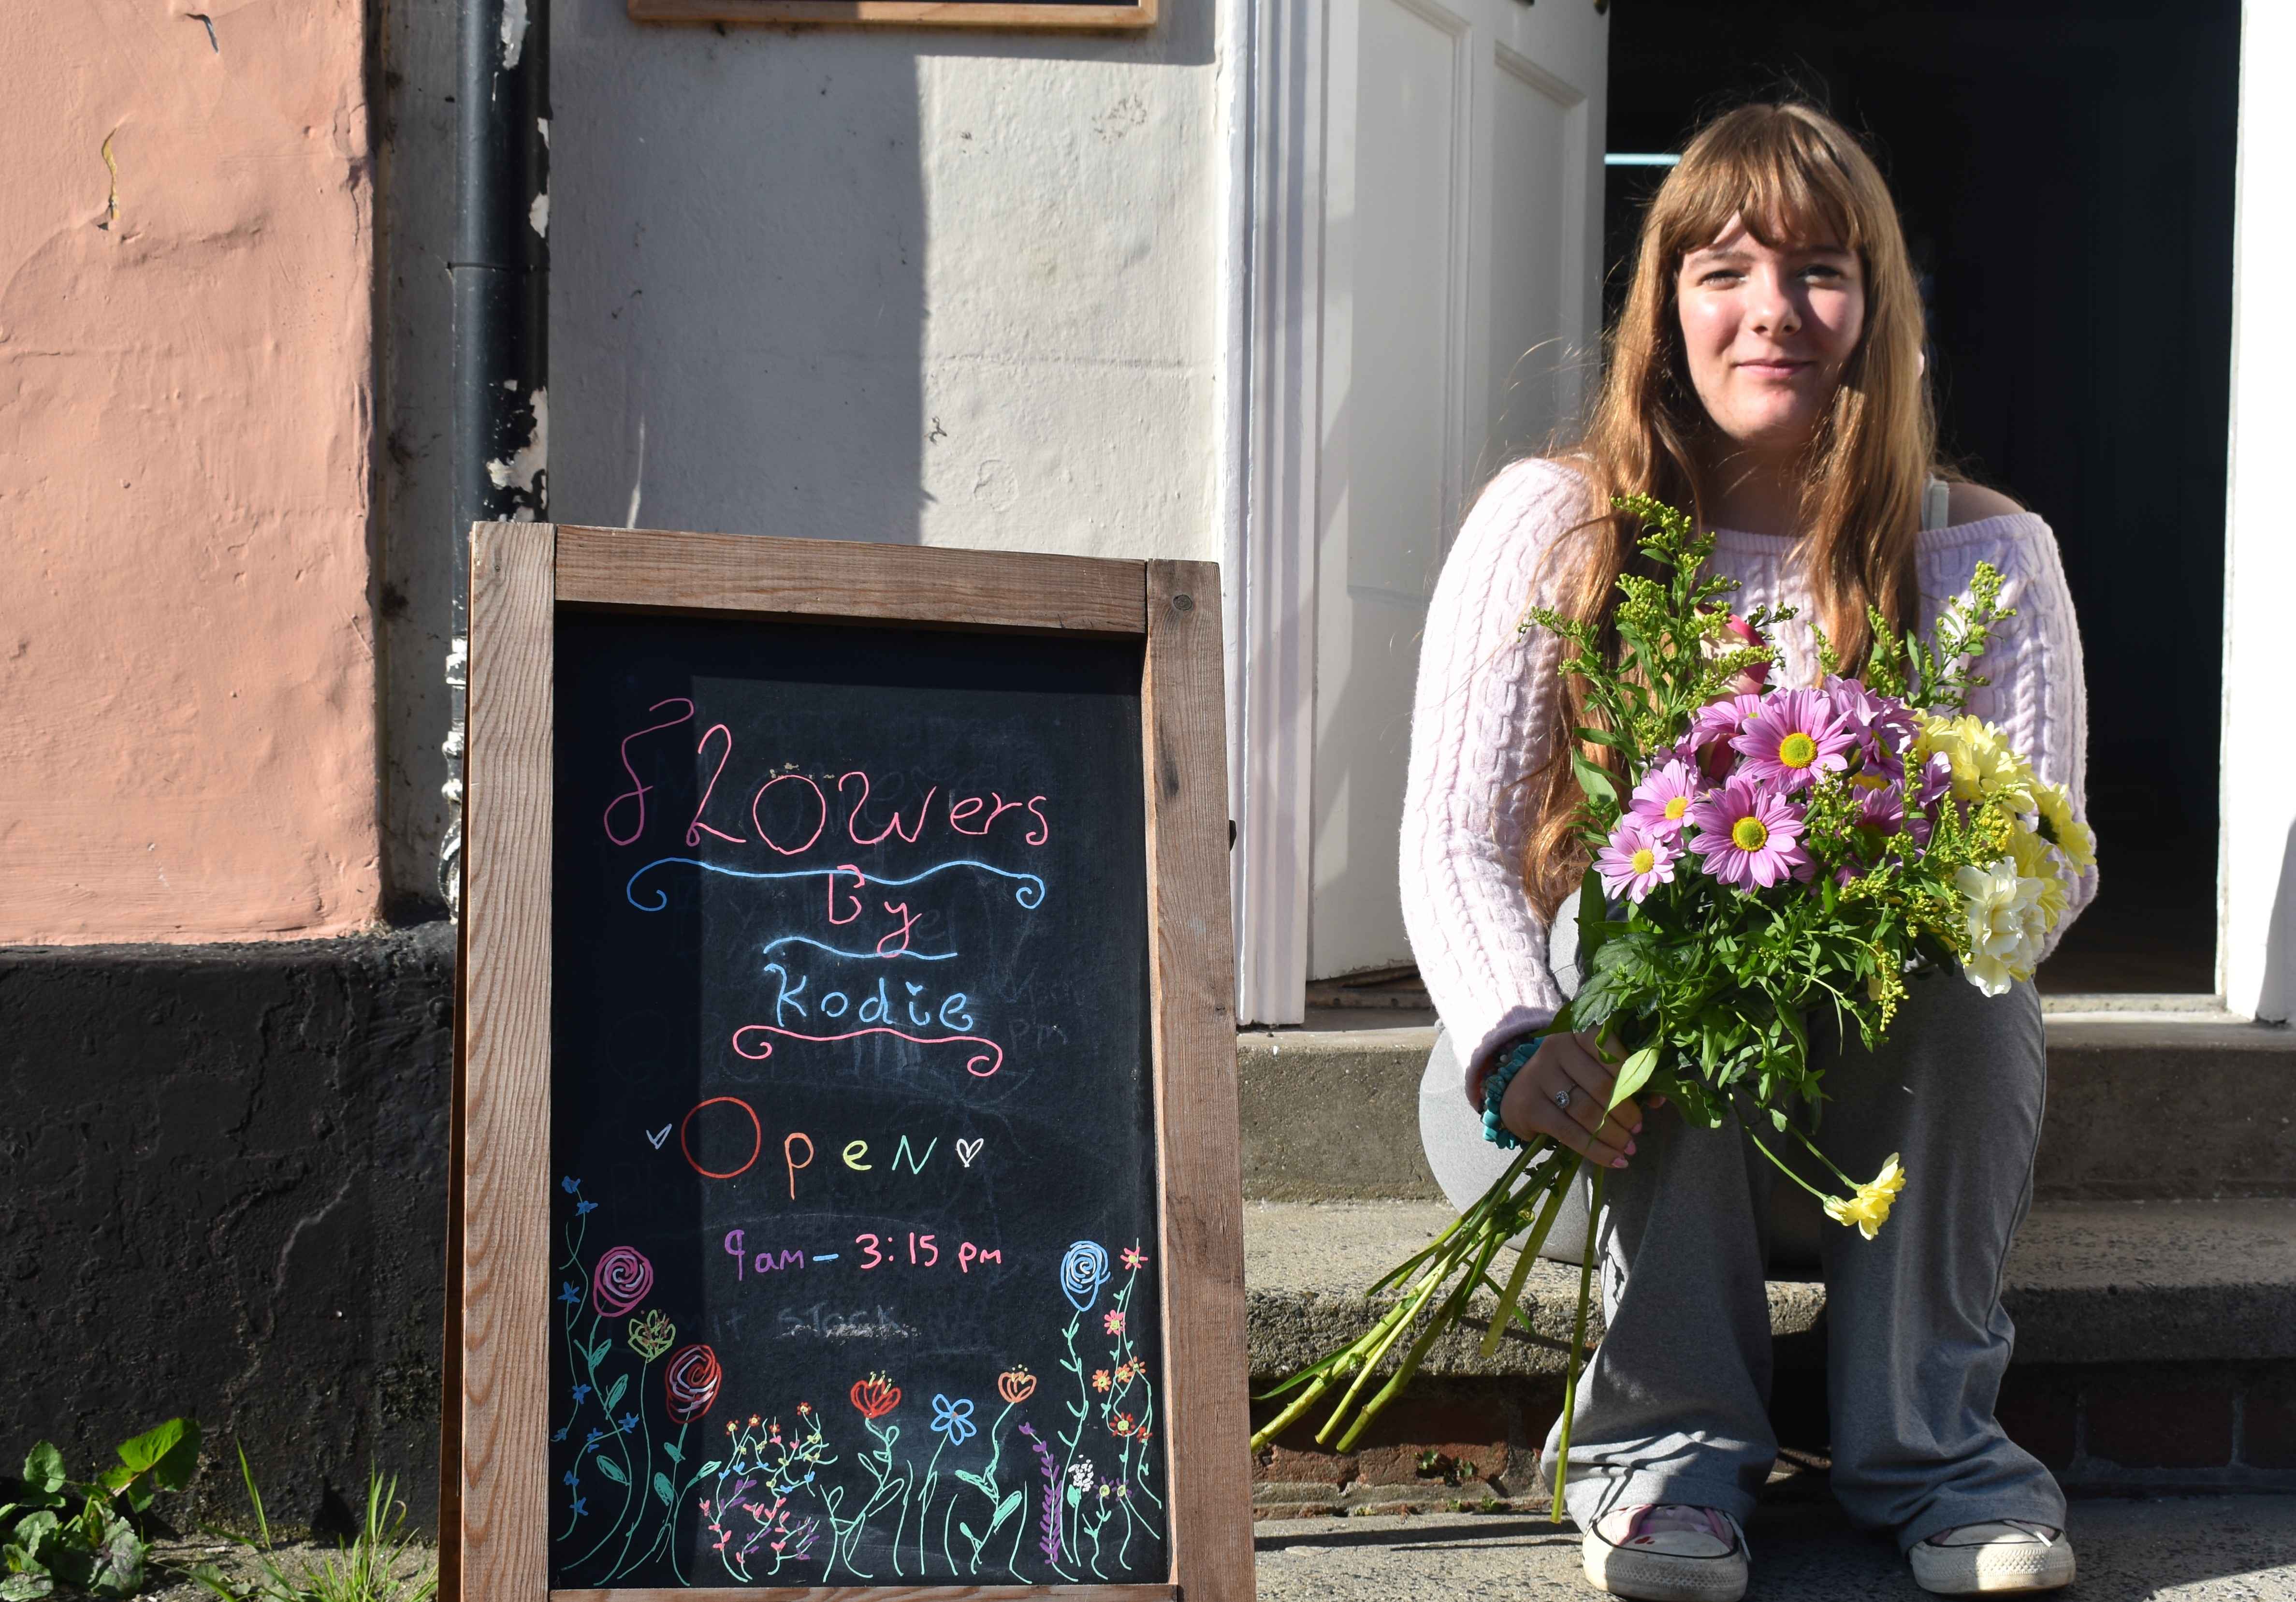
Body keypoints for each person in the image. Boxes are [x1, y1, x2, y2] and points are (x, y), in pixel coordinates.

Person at [1401, 102, 2096, 1601]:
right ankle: (1660, 1449)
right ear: (1663, 307)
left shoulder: (1983, 555)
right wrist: (1513, 1037)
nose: (1770, 310)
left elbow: (2045, 877)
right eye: (1720, 268)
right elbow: (1453, 840)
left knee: (1971, 971)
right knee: (1660, 915)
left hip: (1860, 1136)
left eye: (1819, 269)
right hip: (1575, 1104)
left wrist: (1883, 865)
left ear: (1877, 308)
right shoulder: (1554, 525)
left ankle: (1933, 1453)